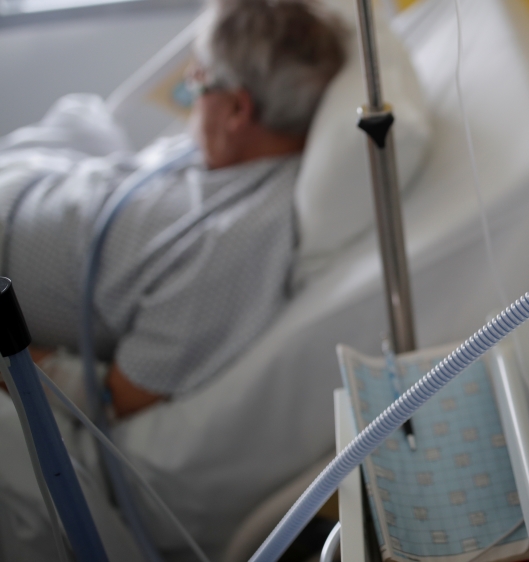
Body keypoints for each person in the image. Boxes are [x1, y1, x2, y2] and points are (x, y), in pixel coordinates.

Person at [0, 0, 346, 557]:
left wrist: (17, 366)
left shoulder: (236, 242)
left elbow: (115, 395)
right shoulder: (228, 152)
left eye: (200, 79)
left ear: (237, 109)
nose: (188, 86)